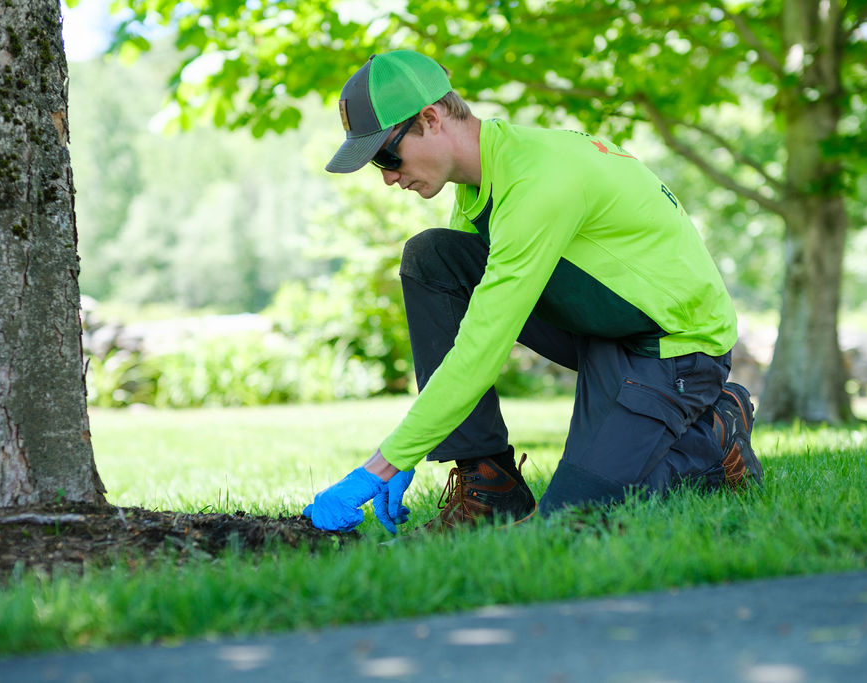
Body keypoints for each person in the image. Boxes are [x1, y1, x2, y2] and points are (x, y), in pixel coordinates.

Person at [302, 50, 762, 534]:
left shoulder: (538, 180)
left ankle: (717, 429)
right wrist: (427, 446)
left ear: (431, 119)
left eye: (385, 156)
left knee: (575, 517)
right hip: (603, 324)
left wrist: (386, 463)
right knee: (433, 256)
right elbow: (463, 329)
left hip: (672, 348)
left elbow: (483, 345)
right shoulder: (480, 187)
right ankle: (490, 483)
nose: (389, 177)